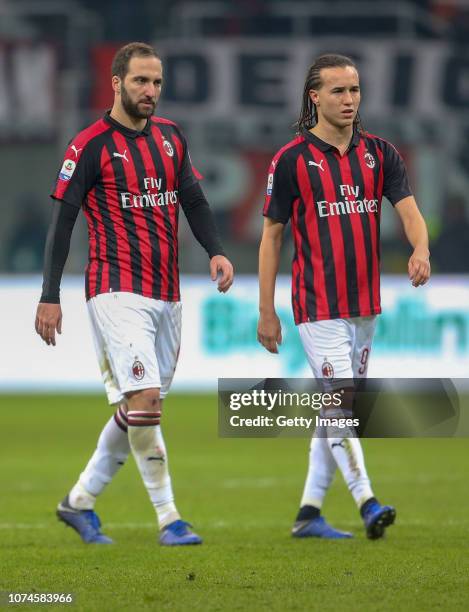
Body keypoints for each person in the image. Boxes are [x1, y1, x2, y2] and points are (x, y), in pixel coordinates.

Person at [35, 42, 233, 546]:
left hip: (167, 293)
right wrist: (49, 295)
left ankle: (78, 502)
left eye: (157, 82)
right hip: (115, 288)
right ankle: (170, 519)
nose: (151, 91)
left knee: (139, 407)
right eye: (142, 81)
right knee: (145, 400)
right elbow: (63, 222)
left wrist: (215, 250)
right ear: (116, 81)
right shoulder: (90, 145)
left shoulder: (170, 137)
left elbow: (193, 197)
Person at [257, 54, 430, 539]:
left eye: (354, 90)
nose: (349, 99)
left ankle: (309, 513)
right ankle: (368, 502)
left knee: (341, 410)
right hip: (317, 305)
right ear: (315, 97)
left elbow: (409, 210)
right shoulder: (291, 160)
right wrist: (266, 310)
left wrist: (421, 248)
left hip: (364, 305)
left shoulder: (380, 153)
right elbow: (271, 238)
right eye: (337, 91)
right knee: (339, 406)